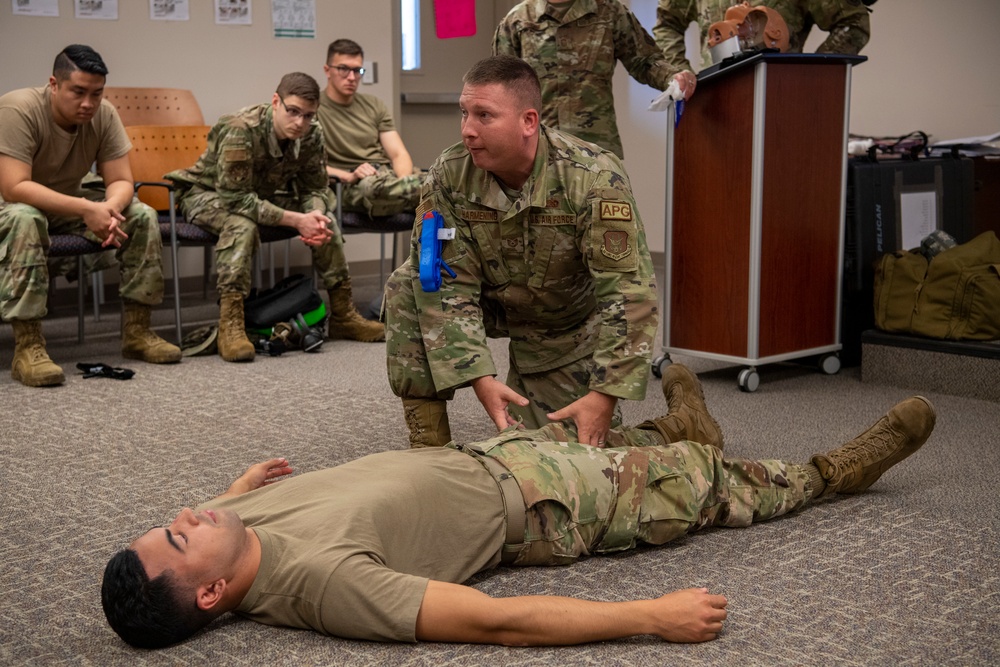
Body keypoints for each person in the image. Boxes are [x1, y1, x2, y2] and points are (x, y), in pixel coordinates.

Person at [100, 363, 938, 649]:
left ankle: (685, 425)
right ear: (211, 593)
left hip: (489, 456)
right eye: (182, 533)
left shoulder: (227, 530)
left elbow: (213, 505)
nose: (194, 512)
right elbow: (498, 622)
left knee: (610, 437)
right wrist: (651, 615)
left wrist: (243, 486)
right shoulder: (321, 588)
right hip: (543, 505)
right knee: (710, 490)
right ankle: (833, 471)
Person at [383, 55, 657, 449]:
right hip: (492, 302)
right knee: (408, 283)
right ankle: (428, 446)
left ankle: (684, 424)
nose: (467, 131)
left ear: (528, 121)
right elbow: (445, 280)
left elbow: (630, 295)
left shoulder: (594, 178)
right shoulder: (449, 174)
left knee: (564, 455)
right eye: (463, 114)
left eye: (484, 116)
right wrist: (479, 378)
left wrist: (604, 396)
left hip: (563, 326)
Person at [166, 72, 384, 362]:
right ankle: (231, 324)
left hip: (259, 195)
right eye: (293, 112)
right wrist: (296, 220)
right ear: (275, 102)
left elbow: (314, 187)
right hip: (206, 194)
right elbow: (235, 199)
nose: (300, 122)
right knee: (240, 225)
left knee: (325, 220)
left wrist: (314, 213)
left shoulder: (312, 133)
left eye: (308, 115)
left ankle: (343, 316)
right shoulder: (239, 128)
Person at [0, 44, 181, 387]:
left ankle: (137, 332)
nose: (88, 103)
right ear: (54, 84)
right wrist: (87, 209)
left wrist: (109, 209)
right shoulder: (17, 108)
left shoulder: (104, 113)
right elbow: (14, 188)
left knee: (140, 214)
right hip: (10, 210)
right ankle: (28, 348)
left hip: (66, 205)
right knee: (26, 216)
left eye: (96, 94)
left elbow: (122, 181)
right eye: (78, 92)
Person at [493, 0, 697, 159]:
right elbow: (501, 91)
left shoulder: (609, 12)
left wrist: (674, 75)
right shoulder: (517, 21)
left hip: (596, 151)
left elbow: (645, 61)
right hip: (537, 151)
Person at [317, 39, 424, 217]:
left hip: (386, 177)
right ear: (327, 71)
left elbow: (398, 154)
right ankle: (423, 192)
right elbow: (307, 166)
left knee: (442, 184)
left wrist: (404, 182)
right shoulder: (313, 109)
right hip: (352, 183)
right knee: (370, 188)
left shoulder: (374, 105)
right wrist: (347, 176)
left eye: (357, 70)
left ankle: (413, 193)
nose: (352, 77)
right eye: (343, 69)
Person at [653, 0, 873, 73]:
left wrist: (811, 76)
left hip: (778, 105)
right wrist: (679, 74)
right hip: (709, 105)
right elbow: (667, 22)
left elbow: (853, 23)